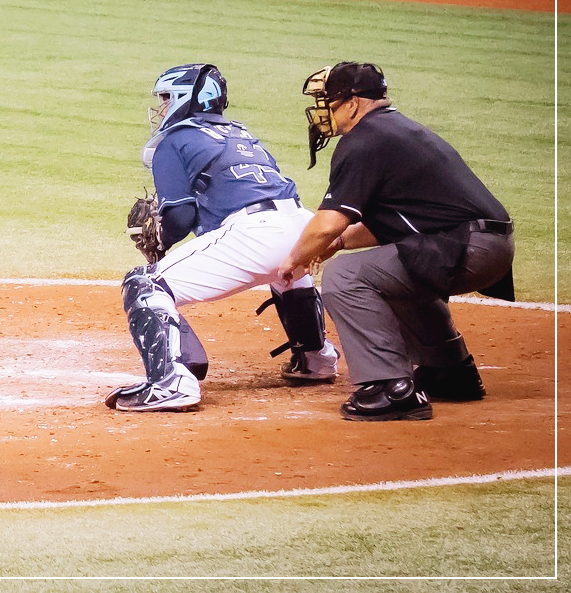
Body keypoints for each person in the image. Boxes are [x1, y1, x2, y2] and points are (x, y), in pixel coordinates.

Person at [277, 63, 514, 422]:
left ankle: (389, 388)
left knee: (346, 277)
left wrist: (294, 260)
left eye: (328, 100)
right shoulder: (394, 130)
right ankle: (448, 371)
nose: (323, 110)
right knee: (394, 273)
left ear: (353, 103)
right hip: (486, 246)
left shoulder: (363, 141)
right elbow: (398, 223)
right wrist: (341, 242)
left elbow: (325, 224)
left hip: (463, 247)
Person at [103, 63, 339, 413]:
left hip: (255, 233)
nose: (162, 107)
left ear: (187, 99)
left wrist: (162, 238)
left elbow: (180, 216)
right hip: (302, 225)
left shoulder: (175, 140)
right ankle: (316, 358)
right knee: (285, 272)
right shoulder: (241, 134)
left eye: (167, 98)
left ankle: (171, 383)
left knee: (144, 284)